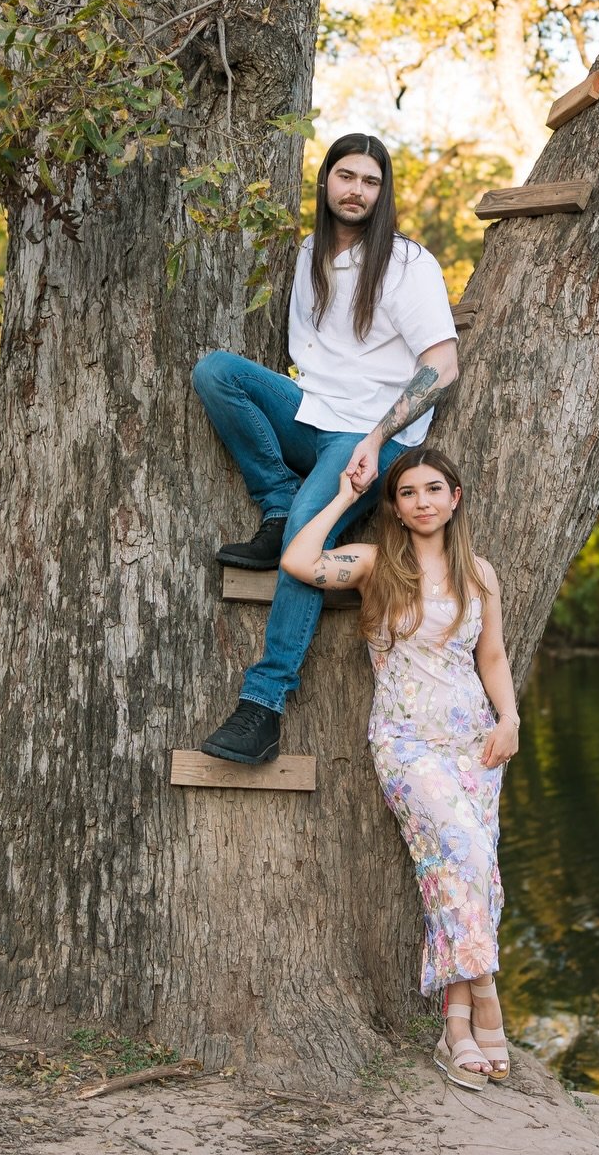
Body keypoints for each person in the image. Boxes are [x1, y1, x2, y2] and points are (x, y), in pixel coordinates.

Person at [193, 134, 458, 767]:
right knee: (216, 373)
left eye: (370, 181)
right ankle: (278, 503)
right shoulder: (309, 253)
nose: (357, 191)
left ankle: (264, 706)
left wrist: (375, 438)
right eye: (346, 177)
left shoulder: (406, 264)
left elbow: (442, 366)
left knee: (299, 554)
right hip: (312, 413)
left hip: (371, 433)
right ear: (326, 182)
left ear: (381, 191)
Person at [282, 446, 520, 1090]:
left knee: (470, 872)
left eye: (433, 489)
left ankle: (456, 1024)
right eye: (408, 492)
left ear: (455, 497)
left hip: (475, 743)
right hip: (406, 743)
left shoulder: (481, 574)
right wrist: (341, 495)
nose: (422, 502)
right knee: (465, 852)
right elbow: (298, 561)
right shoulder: (373, 563)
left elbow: (492, 657)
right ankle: (488, 997)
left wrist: (510, 719)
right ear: (393, 504)